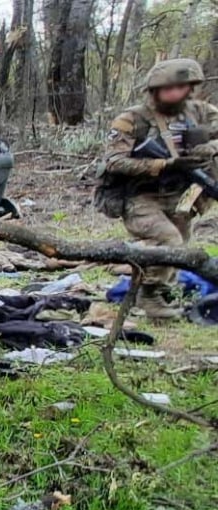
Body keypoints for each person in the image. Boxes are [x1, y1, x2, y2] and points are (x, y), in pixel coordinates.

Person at [100, 58, 218, 318]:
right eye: (169, 89)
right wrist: (164, 164)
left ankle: (162, 290)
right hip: (140, 196)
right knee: (168, 240)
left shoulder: (201, 112)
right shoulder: (132, 119)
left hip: (181, 194)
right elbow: (114, 161)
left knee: (180, 245)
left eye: (182, 87)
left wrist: (209, 148)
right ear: (155, 89)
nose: (176, 94)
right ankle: (149, 295)